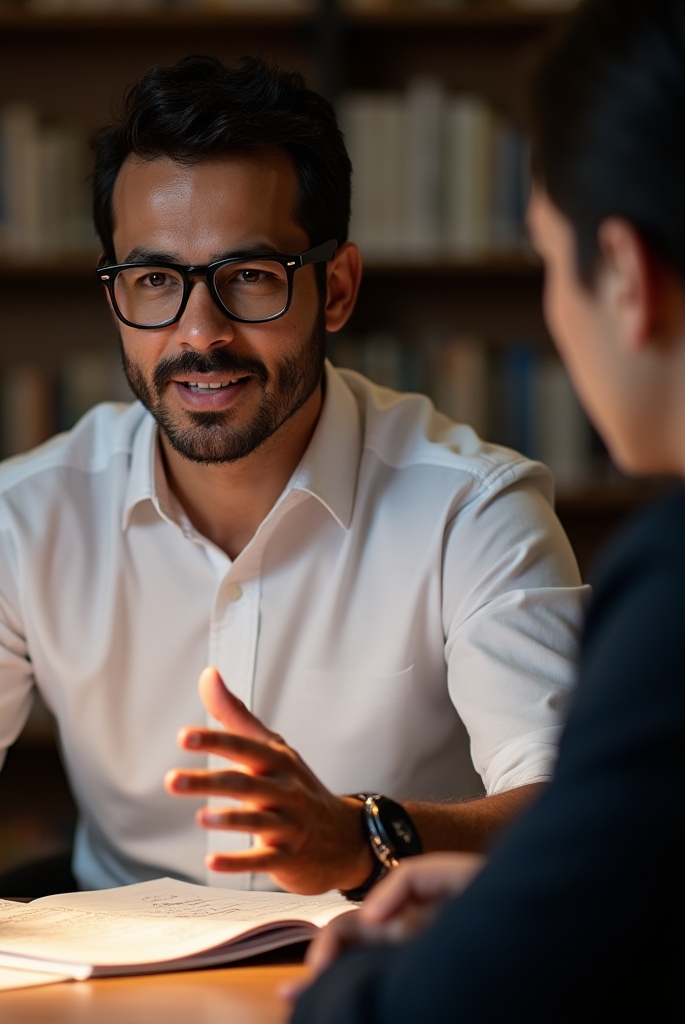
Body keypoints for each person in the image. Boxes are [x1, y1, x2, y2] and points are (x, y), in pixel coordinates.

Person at [0, 55, 588, 908]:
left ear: (338, 288)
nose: (199, 333)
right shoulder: (26, 517)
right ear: (115, 297)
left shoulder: (472, 509)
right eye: (156, 280)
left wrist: (360, 838)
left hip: (386, 978)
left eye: (249, 276)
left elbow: (576, 811)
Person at [288, 1, 685, 1019]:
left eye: (551, 261)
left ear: (630, 280)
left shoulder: (672, 584)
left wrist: (352, 984)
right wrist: (513, 899)